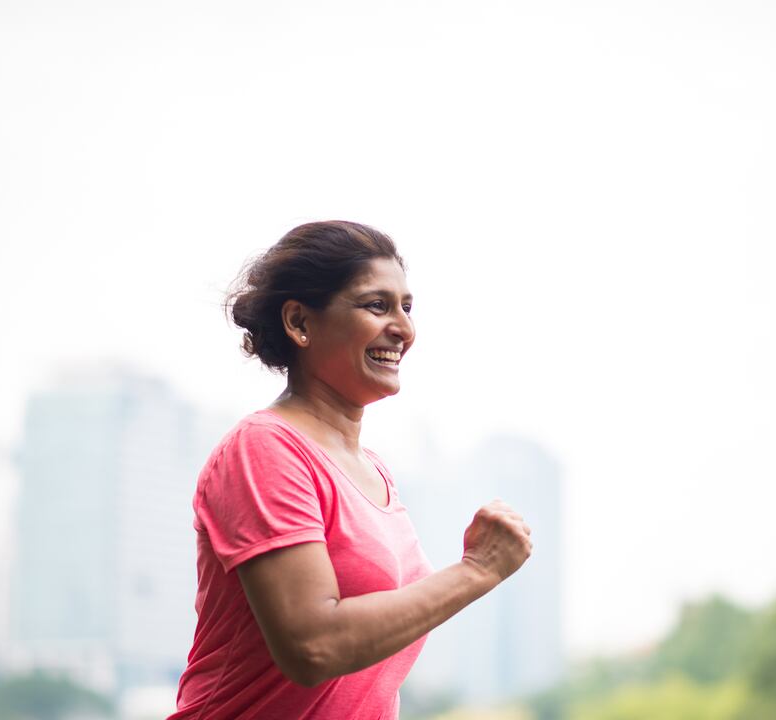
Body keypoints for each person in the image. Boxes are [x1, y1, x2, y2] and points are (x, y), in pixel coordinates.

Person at [169, 220, 534, 719]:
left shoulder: (374, 471)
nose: (403, 329)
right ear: (299, 322)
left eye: (407, 307)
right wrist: (477, 571)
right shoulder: (265, 449)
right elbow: (314, 645)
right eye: (376, 305)